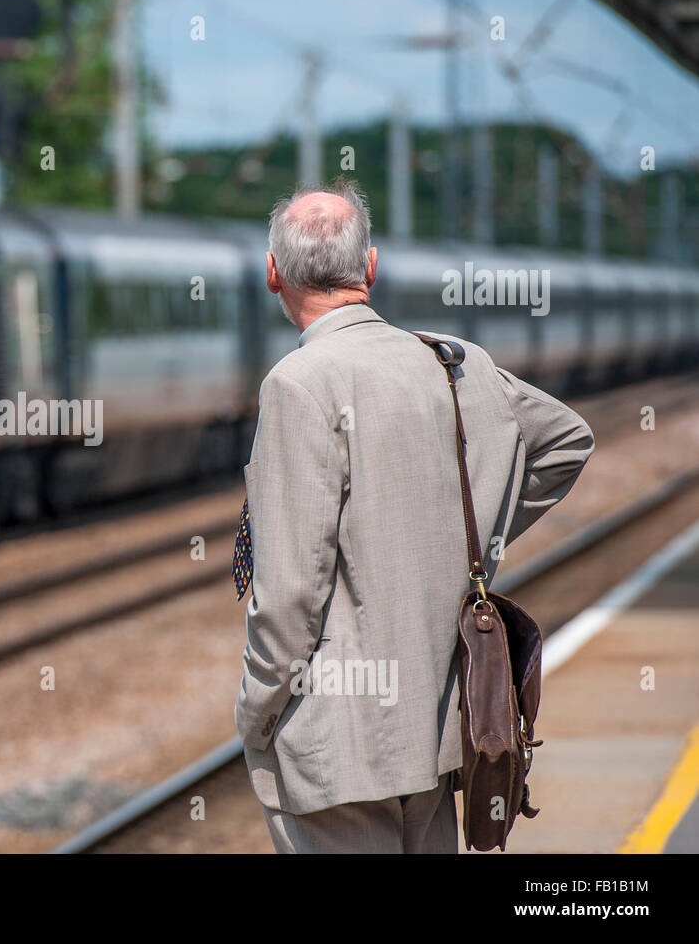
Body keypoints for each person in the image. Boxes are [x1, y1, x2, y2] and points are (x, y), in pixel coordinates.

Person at [234, 178, 593, 853]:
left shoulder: (296, 383)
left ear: (274, 274)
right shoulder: (455, 363)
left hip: (334, 746)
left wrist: (256, 714)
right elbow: (568, 439)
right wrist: (469, 538)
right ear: (369, 268)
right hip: (437, 733)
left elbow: (287, 597)